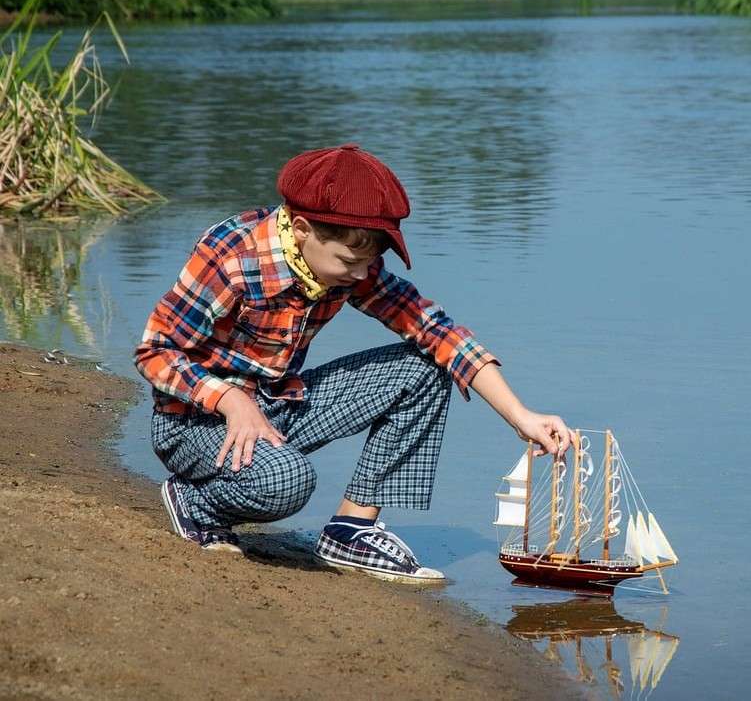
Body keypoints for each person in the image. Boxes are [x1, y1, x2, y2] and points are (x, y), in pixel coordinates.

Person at [134, 143, 572, 583]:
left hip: (276, 403)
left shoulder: (342, 262)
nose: (362, 276)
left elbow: (438, 331)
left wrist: (521, 417)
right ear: (303, 228)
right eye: (350, 262)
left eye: (370, 263)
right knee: (288, 483)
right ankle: (197, 501)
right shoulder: (232, 257)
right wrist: (229, 399)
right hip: (193, 421)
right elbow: (155, 350)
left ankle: (351, 529)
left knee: (425, 367)